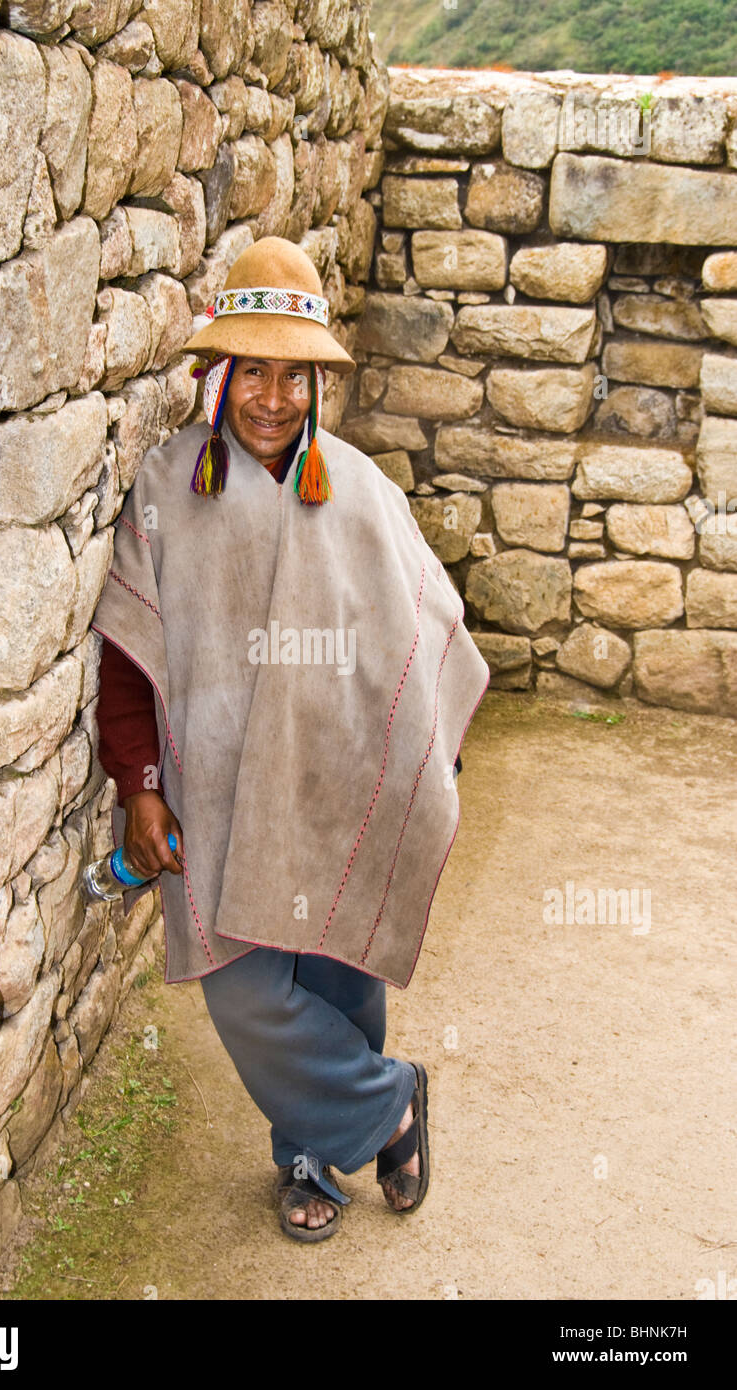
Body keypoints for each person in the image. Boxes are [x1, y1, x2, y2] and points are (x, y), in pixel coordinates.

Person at [92, 236, 490, 1241]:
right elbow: (130, 657)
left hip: (340, 783)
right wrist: (141, 782)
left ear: (316, 379)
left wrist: (424, 761)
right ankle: (387, 1103)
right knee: (244, 986)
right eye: (252, 369)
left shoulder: (361, 495)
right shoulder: (167, 491)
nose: (272, 396)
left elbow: (425, 636)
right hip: (215, 794)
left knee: (338, 963)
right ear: (218, 374)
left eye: (293, 374)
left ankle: (308, 1156)